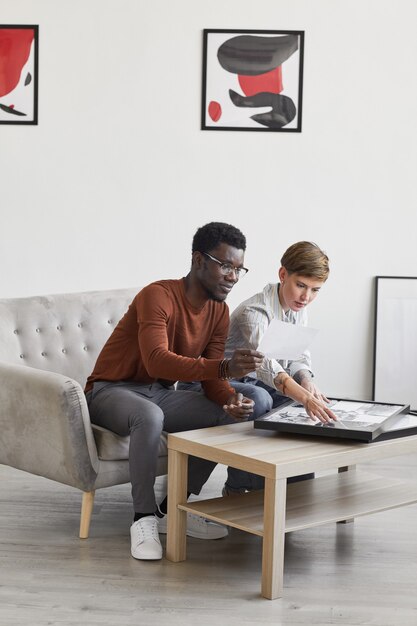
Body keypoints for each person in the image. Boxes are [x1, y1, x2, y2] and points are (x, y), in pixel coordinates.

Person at [85, 222, 272, 561]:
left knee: (238, 408)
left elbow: (212, 380)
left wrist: (230, 399)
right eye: (226, 265)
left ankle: (173, 509)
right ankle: (143, 518)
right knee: (149, 414)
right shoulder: (158, 295)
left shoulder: (219, 311)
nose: (233, 276)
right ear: (199, 260)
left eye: (239, 268)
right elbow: (157, 361)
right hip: (110, 391)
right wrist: (226, 369)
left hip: (158, 393)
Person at [223, 241, 337, 494]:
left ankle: (296, 492)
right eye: (301, 286)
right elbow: (266, 365)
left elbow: (296, 356)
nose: (306, 297)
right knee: (261, 399)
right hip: (230, 380)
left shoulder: (298, 308)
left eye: (315, 290)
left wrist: (307, 382)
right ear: (283, 274)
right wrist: (303, 396)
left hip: (266, 380)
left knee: (302, 408)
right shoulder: (254, 312)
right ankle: (237, 489)